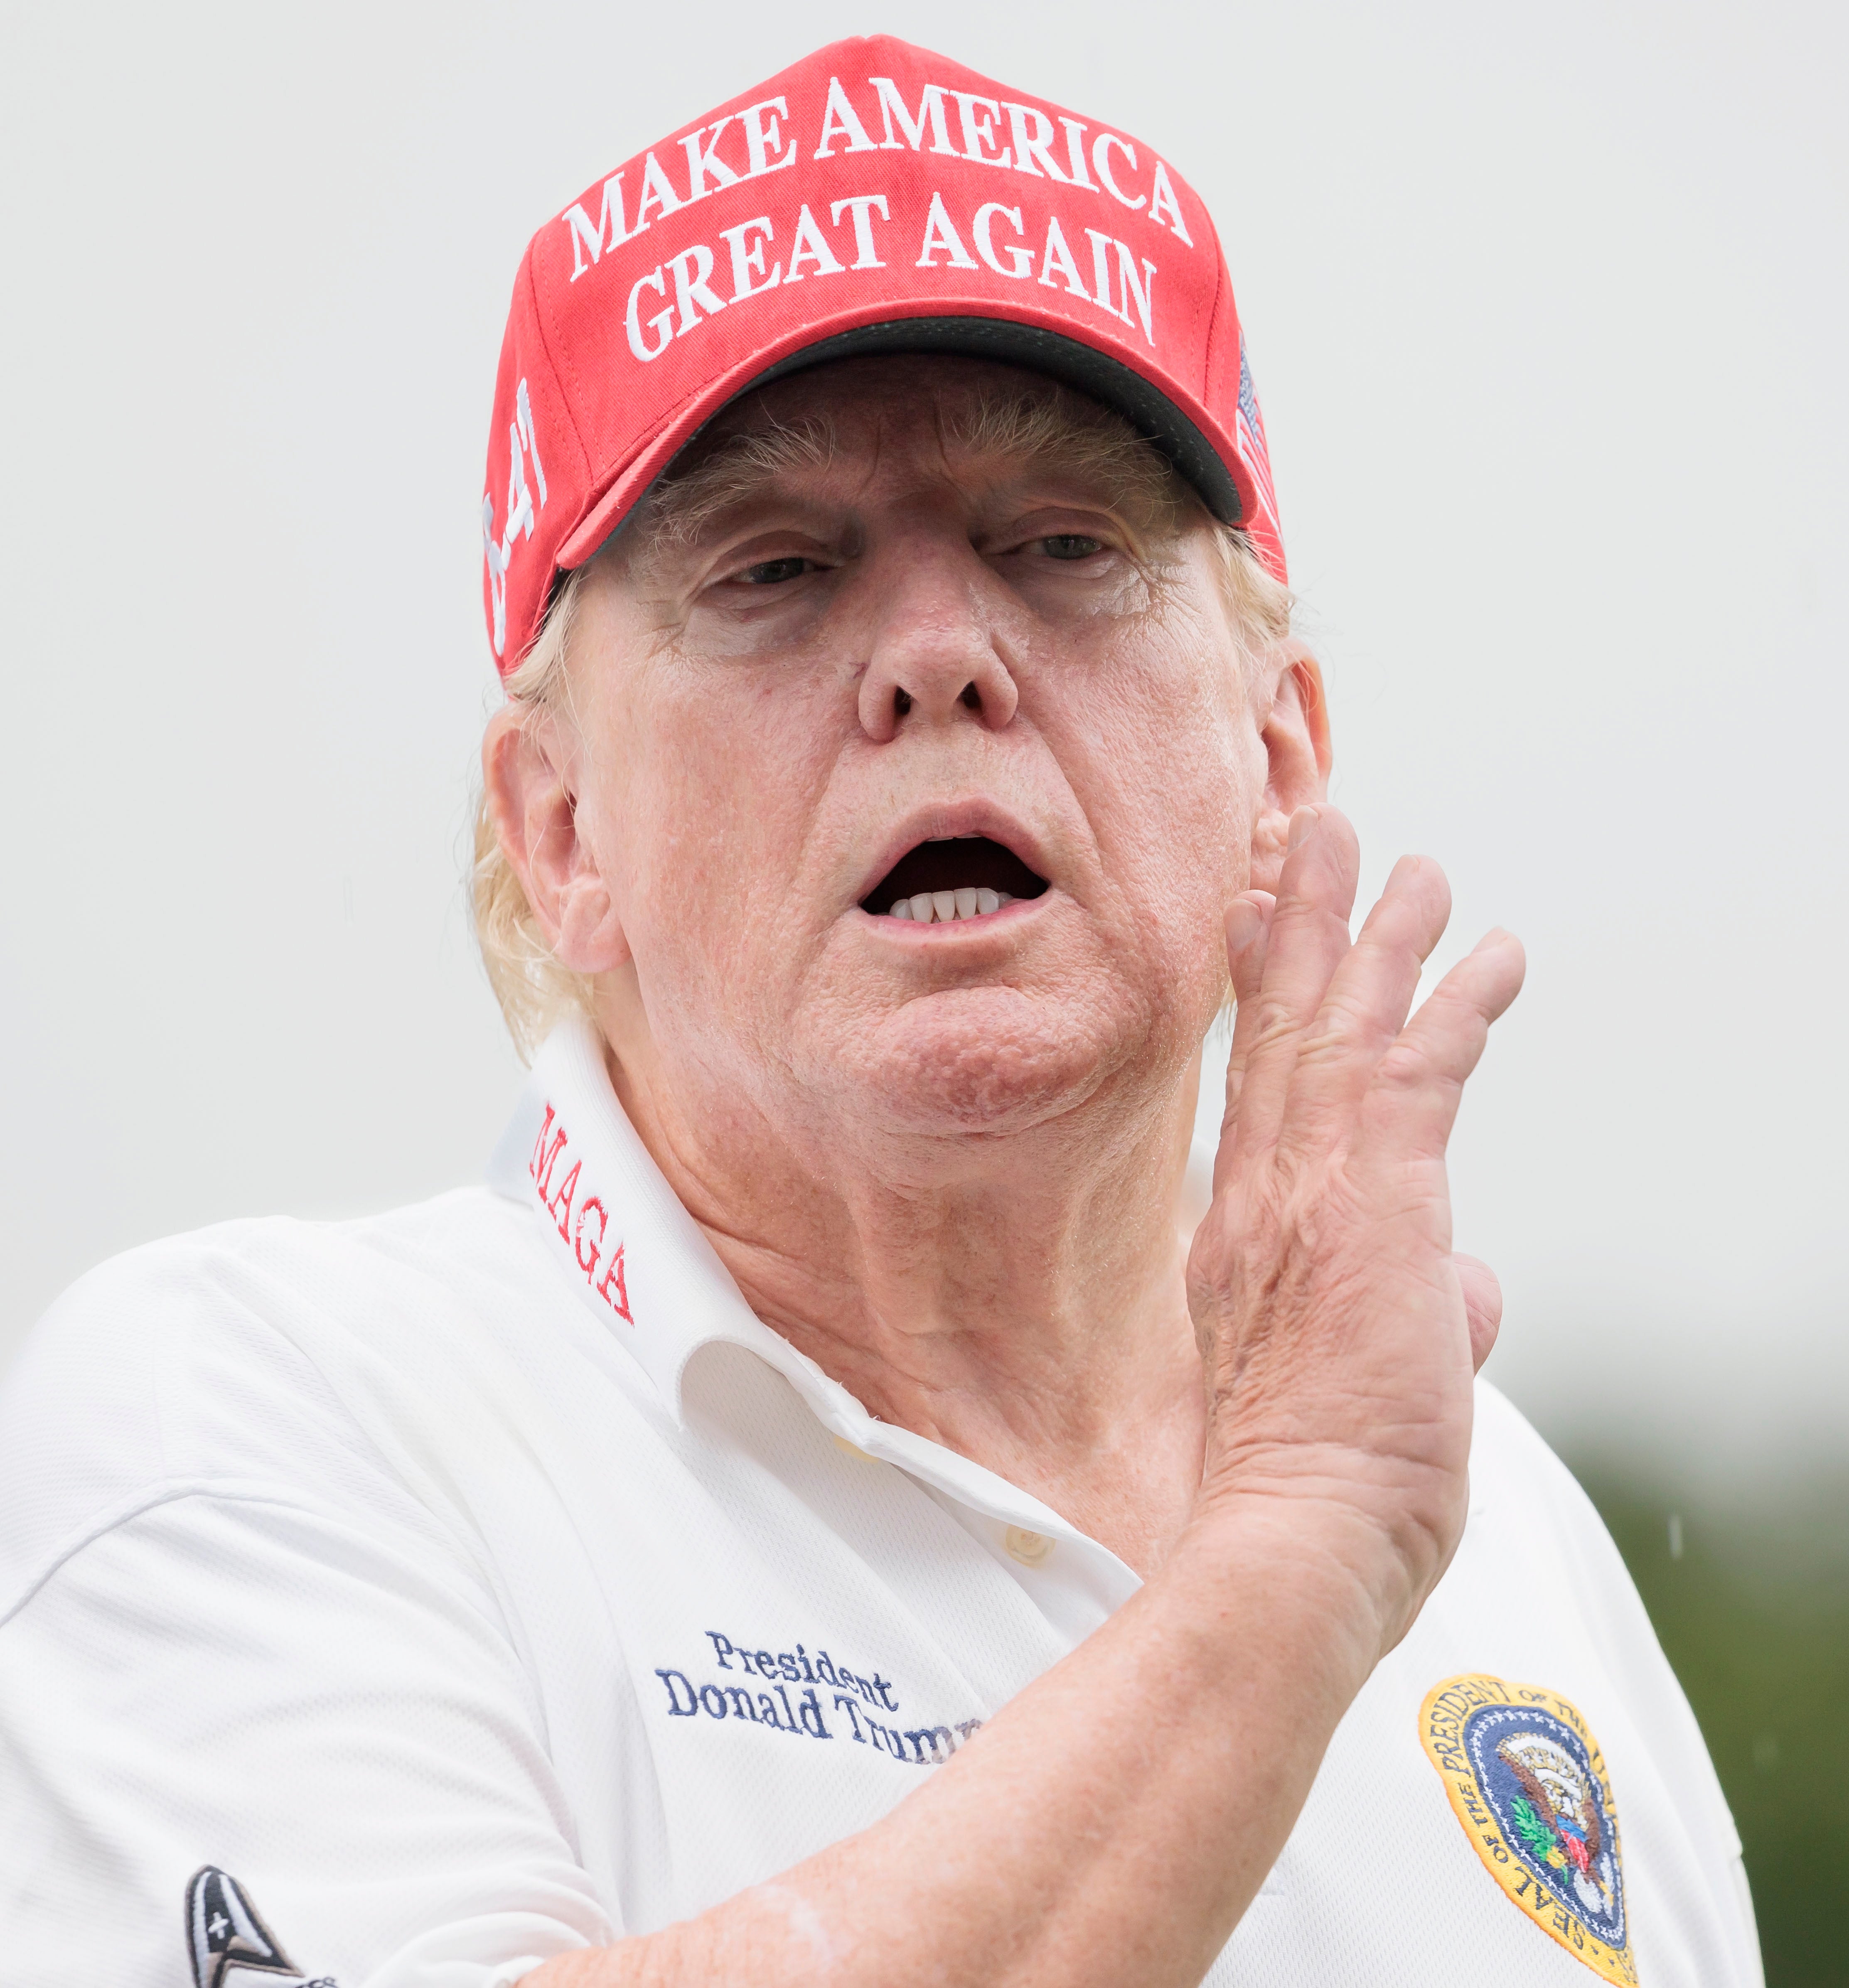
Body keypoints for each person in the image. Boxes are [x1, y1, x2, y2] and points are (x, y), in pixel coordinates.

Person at [0, 35, 1760, 1988]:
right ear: (560, 827)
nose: (936, 657)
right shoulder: (258, 1427)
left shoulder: (1509, 1536)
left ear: (1279, 765)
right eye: (778, 568)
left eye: (1062, 544)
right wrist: (1289, 1564)